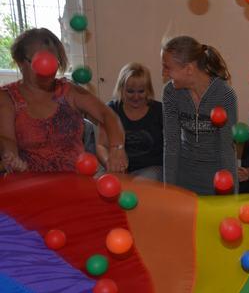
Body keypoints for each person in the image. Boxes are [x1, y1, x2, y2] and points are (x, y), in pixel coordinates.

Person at [0, 28, 127, 173]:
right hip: (30, 181)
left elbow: (107, 115)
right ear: (20, 62)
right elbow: (6, 138)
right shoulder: (7, 97)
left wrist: (117, 148)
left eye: (52, 62)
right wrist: (11, 157)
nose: (47, 70)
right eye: (40, 62)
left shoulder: (69, 91)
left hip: (75, 180)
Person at [161, 35, 238, 195]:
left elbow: (227, 148)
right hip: (184, 178)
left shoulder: (224, 94)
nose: (164, 73)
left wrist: (231, 195)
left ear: (189, 69)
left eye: (167, 67)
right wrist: (169, 190)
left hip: (216, 181)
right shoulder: (171, 93)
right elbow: (171, 144)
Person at [97, 63, 163, 180]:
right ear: (121, 89)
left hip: (151, 168)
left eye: (141, 91)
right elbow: (101, 145)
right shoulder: (111, 109)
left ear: (148, 90)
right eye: (130, 91)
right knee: (99, 182)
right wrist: (109, 163)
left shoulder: (159, 110)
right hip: (117, 169)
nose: (136, 97)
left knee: (139, 184)